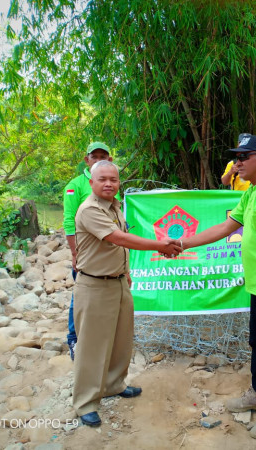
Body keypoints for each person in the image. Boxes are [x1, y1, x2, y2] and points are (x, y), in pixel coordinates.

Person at [181, 135, 256, 439]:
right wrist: (182, 243)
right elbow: (226, 227)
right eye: (236, 157)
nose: (237, 163)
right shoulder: (252, 192)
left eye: (243, 157)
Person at [72, 160, 182, 427]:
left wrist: (126, 271)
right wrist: (159, 246)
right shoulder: (89, 210)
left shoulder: (115, 207)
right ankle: (85, 402)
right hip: (95, 285)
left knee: (121, 339)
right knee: (92, 345)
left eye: (114, 179)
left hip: (119, 281)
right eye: (103, 179)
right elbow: (118, 239)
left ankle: (114, 385)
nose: (109, 183)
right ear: (92, 183)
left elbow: (118, 246)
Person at [62, 142, 117, 360]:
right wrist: (75, 253)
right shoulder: (76, 185)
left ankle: (102, 340)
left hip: (109, 251)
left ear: (110, 160)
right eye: (94, 156)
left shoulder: (112, 185)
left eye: (103, 156)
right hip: (87, 252)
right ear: (87, 160)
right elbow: (68, 220)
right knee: (81, 295)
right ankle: (74, 339)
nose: (99, 159)